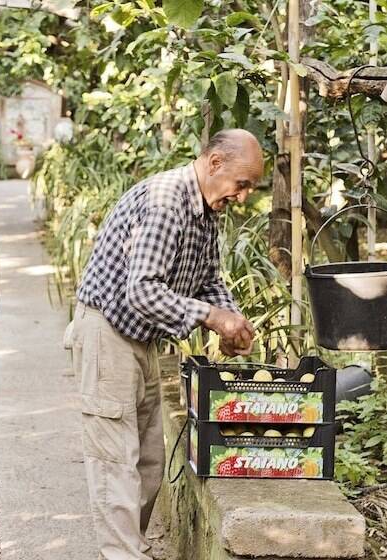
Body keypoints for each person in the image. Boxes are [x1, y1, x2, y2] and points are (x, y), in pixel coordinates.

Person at [71, 129, 262, 559]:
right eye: (242, 183)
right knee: (115, 464)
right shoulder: (166, 202)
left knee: (149, 462)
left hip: (142, 338)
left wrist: (229, 322)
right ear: (214, 163)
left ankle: (127, 549)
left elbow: (209, 280)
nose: (244, 196)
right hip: (108, 334)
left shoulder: (206, 209)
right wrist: (210, 317)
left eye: (251, 187)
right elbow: (142, 291)